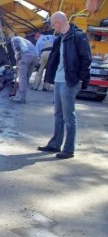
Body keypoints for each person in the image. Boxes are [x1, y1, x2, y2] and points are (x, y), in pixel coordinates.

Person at [38, 11, 91, 159]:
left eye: (53, 23)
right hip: (59, 80)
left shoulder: (78, 37)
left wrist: (80, 79)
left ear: (60, 22)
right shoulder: (59, 39)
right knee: (58, 114)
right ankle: (55, 144)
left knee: (69, 117)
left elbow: (86, 59)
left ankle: (68, 150)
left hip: (70, 81)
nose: (52, 26)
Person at [9, 36, 39, 103]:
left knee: (22, 78)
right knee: (26, 78)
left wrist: (16, 56)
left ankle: (21, 98)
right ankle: (21, 95)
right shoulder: (26, 41)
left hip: (26, 57)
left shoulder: (14, 39)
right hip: (35, 58)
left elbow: (18, 50)